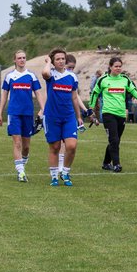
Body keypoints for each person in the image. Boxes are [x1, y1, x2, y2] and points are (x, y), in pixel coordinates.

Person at [40, 48, 88, 186]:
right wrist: (48, 62)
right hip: (52, 117)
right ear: (53, 62)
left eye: (63, 58)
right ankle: (54, 176)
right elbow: (44, 72)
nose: (61, 61)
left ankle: (65, 172)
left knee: (71, 146)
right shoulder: (51, 75)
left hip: (68, 117)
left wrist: (79, 117)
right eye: (58, 59)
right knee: (55, 147)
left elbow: (74, 97)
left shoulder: (72, 77)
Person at [0, 49, 44, 182]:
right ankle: (21, 172)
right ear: (14, 60)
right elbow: (4, 95)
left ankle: (22, 165)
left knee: (26, 146)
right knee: (17, 143)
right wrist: (0, 114)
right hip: (14, 113)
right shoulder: (9, 76)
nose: (22, 60)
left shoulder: (31, 76)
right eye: (19, 58)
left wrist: (43, 108)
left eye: (24, 57)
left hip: (28, 113)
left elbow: (38, 93)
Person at [89, 56, 137, 172]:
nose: (118, 68)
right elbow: (95, 93)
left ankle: (105, 163)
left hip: (121, 114)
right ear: (110, 67)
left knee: (116, 140)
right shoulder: (103, 80)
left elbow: (133, 90)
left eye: (120, 66)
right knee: (114, 140)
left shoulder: (125, 79)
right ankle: (116, 164)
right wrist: (91, 108)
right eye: (116, 66)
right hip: (108, 113)